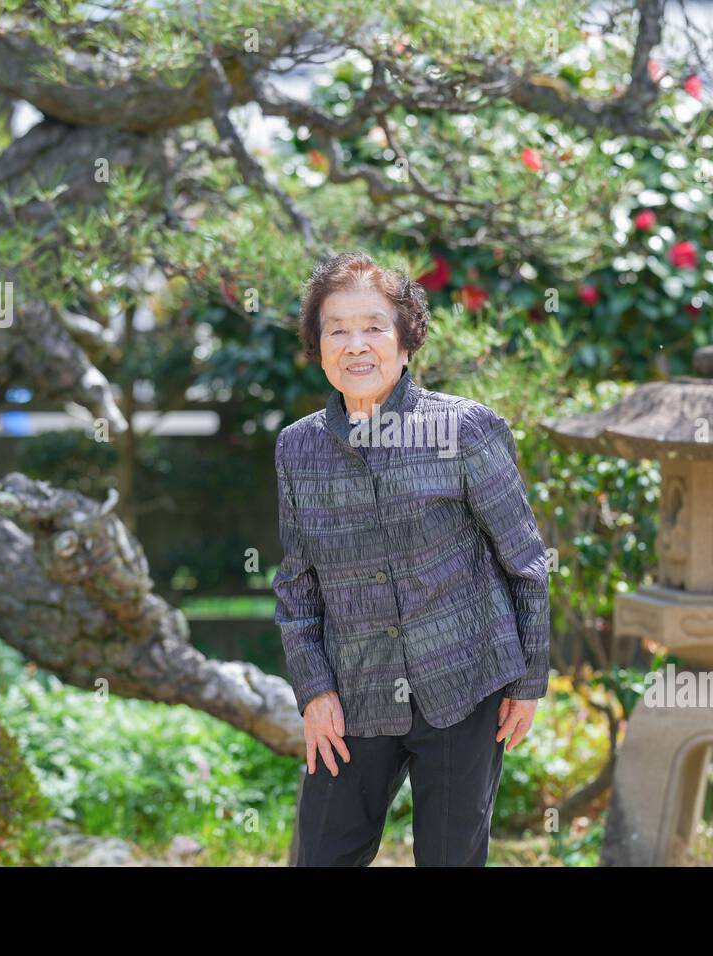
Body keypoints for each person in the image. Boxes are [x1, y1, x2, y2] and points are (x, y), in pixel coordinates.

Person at [273, 250, 551, 866]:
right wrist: (314, 690)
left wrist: (529, 680)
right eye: (337, 329)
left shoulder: (465, 430)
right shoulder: (297, 449)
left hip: (465, 680)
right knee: (320, 855)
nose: (356, 345)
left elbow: (526, 561)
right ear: (318, 348)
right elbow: (296, 586)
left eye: (374, 326)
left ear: (405, 343)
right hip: (354, 691)